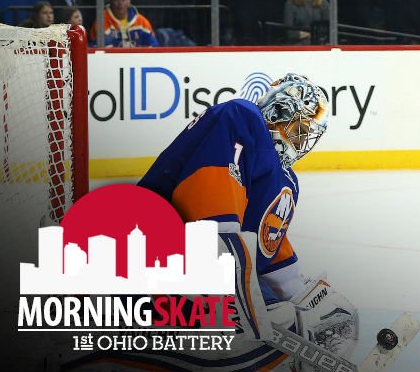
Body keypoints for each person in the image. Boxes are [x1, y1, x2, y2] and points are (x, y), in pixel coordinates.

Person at [59, 74, 358, 371]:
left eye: (309, 132)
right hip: (133, 257)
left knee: (291, 319)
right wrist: (252, 307)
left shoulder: (285, 180)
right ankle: (89, 350)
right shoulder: (241, 117)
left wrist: (303, 299)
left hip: (182, 269)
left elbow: (267, 253)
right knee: (242, 339)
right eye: (299, 127)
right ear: (278, 111)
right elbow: (214, 220)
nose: (302, 139)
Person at [89, 0, 159, 47]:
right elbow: (99, 48)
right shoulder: (101, 21)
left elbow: (153, 46)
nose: (120, 3)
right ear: (110, 2)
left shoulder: (142, 22)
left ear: (129, 2)